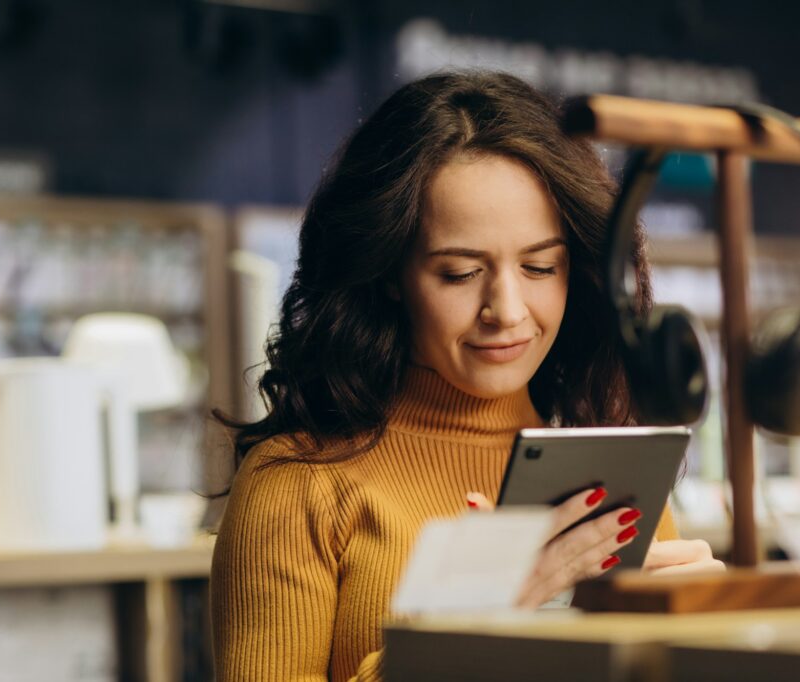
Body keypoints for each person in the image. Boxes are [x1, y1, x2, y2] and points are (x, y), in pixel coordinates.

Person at [210, 71, 723, 682]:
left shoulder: (608, 476)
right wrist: (462, 631)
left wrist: (700, 643)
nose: (506, 310)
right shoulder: (299, 485)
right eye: (458, 273)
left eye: (539, 267)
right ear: (388, 275)